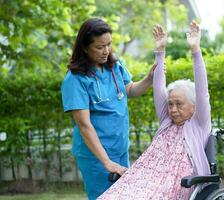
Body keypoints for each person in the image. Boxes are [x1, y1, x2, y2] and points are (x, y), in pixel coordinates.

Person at [97, 20, 211, 200]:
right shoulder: (167, 121)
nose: (172, 109)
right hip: (145, 179)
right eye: (170, 104)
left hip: (173, 185)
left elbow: (202, 91)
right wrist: (160, 51)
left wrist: (196, 50)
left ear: (194, 107)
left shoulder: (199, 124)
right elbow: (158, 87)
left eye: (179, 104)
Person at [61, 18, 154, 200]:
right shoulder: (75, 79)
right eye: (99, 47)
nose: (106, 51)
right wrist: (106, 162)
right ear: (85, 47)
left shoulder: (115, 66)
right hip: (96, 155)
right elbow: (84, 125)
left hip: (119, 148)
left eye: (109, 44)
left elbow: (129, 90)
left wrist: (149, 79)